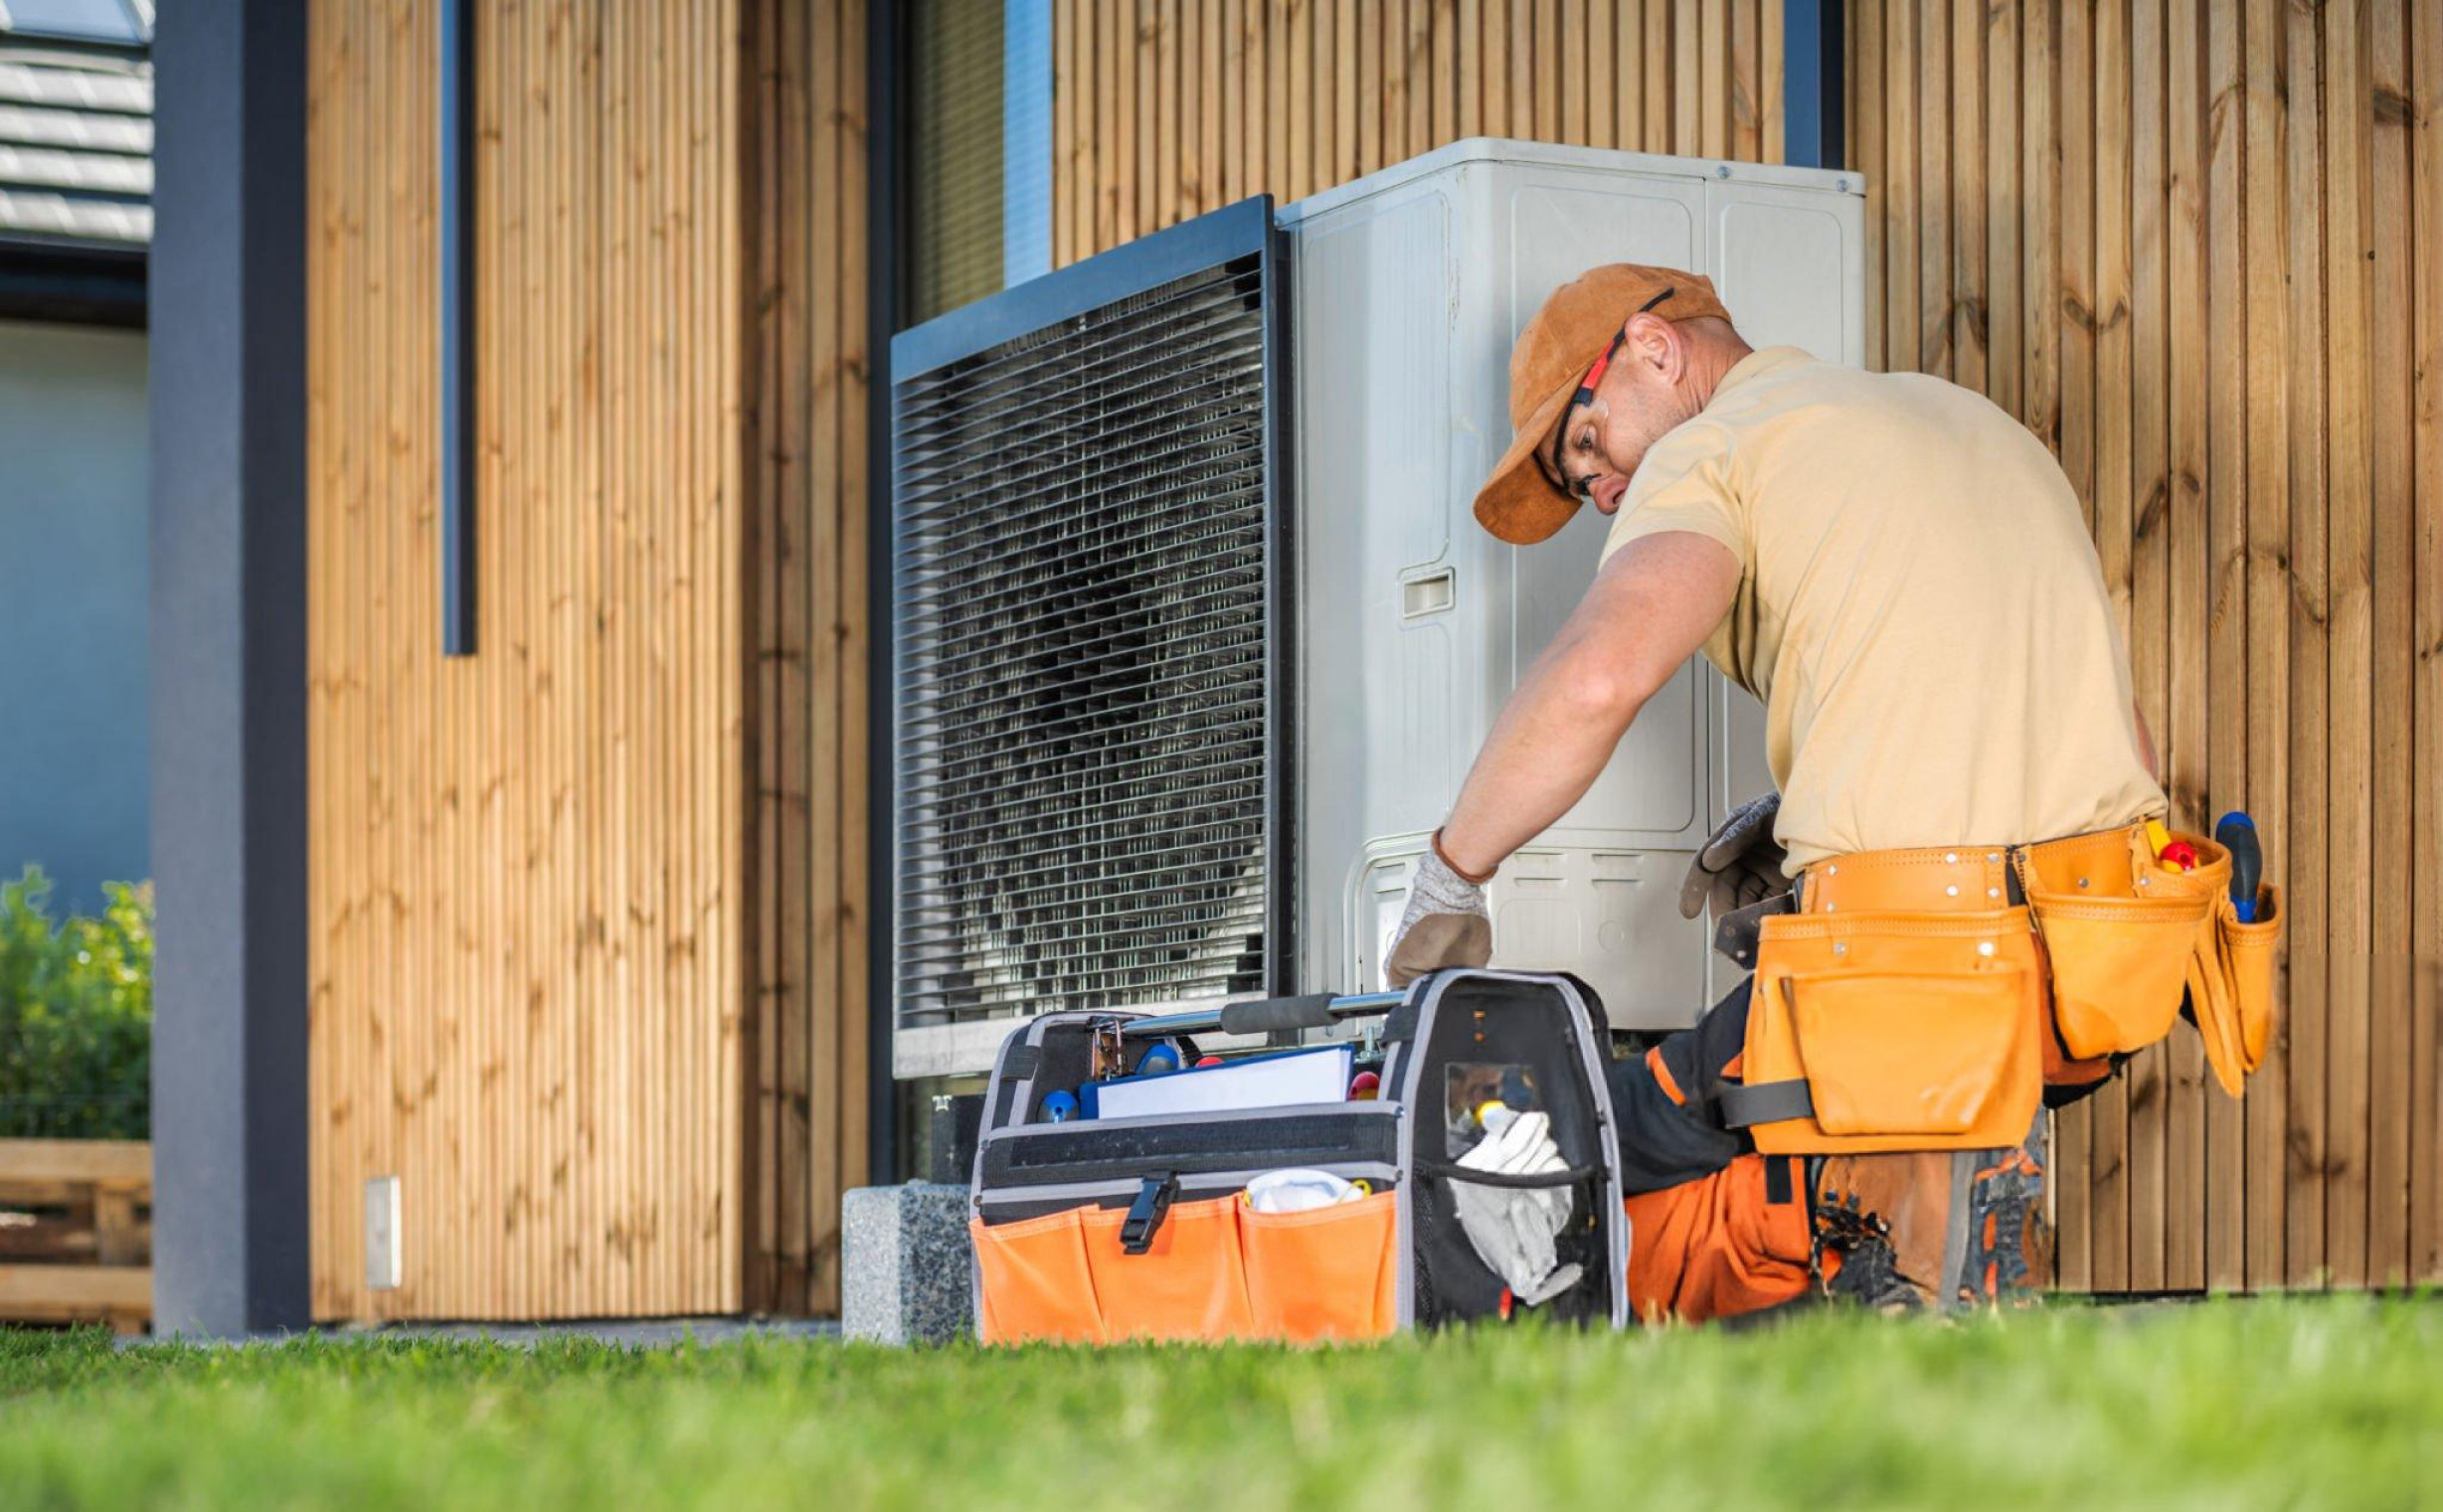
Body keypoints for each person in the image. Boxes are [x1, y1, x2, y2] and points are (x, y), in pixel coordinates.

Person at [1383, 262, 2203, 1320]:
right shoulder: (1967, 419)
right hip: (2093, 972)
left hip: (1919, 971)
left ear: (1653, 347)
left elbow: (1597, 676)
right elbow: (2110, 732)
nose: (1605, 491)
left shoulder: (1713, 447)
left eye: (1588, 445)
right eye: (1585, 484)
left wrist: (1453, 874)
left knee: (1600, 1130)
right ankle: (1937, 1238)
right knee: (1782, 1115)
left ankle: (1886, 1257)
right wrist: (1840, 789)